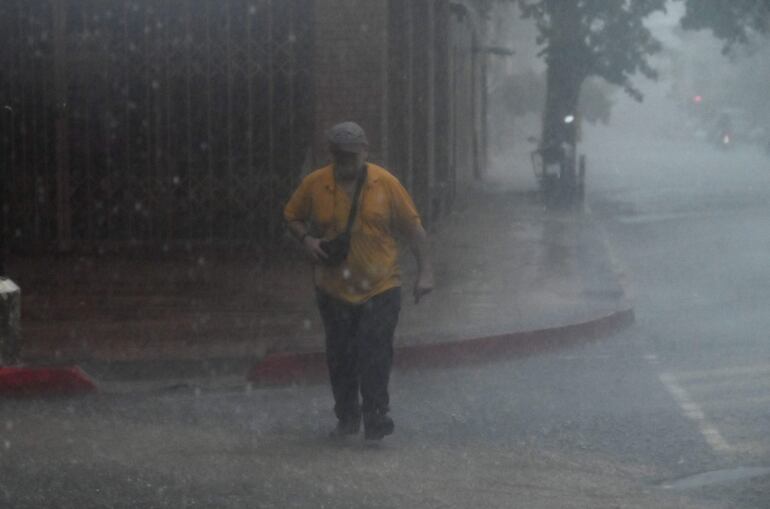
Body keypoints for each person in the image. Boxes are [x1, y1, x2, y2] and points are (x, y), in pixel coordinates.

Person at [284, 121, 434, 440]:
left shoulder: (386, 184)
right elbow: (291, 216)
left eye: (353, 155)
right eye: (340, 156)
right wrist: (307, 239)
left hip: (382, 286)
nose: (347, 162)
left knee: (375, 350)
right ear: (331, 154)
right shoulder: (315, 184)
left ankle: (376, 414)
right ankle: (347, 415)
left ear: (365, 152)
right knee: (341, 355)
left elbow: (414, 230)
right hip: (333, 288)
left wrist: (425, 272)